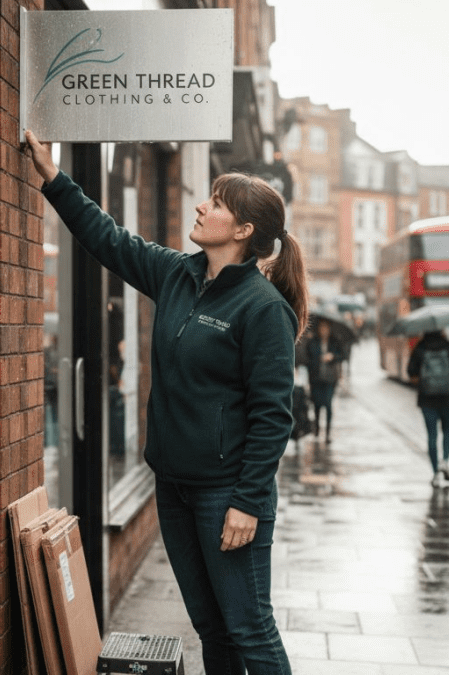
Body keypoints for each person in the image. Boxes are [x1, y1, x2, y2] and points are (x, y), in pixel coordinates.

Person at [25, 130, 304, 674]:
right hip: (174, 488)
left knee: (250, 629)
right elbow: (108, 239)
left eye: (217, 203)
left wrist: (247, 502)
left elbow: (275, 416)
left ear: (243, 231)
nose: (203, 205)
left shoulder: (263, 309)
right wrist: (53, 178)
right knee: (211, 628)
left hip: (226, 495)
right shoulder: (179, 274)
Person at [406, 330, 449, 487]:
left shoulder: (420, 348)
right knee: (447, 430)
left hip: (427, 398)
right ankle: (445, 461)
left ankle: (435, 473)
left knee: (431, 435)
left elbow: (411, 371)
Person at [305, 319, 343, 443]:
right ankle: (316, 428)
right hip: (316, 378)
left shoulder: (334, 341)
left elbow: (342, 355)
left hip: (330, 379)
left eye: (326, 328)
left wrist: (332, 356)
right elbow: (307, 358)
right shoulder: (313, 341)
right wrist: (318, 358)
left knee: (328, 405)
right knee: (316, 405)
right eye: (322, 328)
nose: (324, 330)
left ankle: (327, 433)